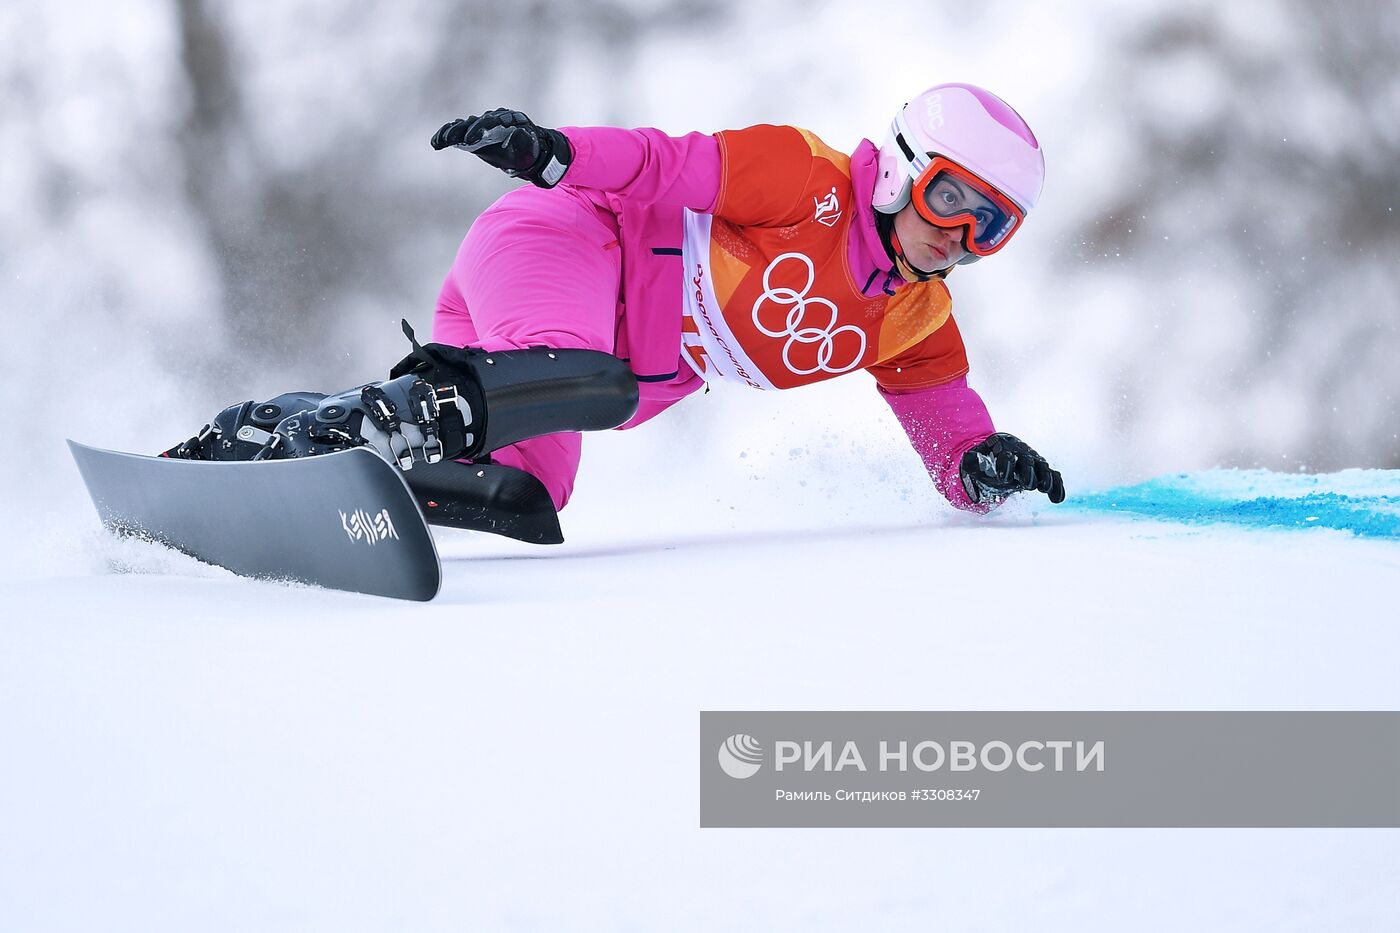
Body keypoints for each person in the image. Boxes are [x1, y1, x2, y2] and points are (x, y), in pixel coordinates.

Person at [165, 83, 1065, 543]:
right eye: (954, 199)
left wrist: (983, 465)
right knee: (591, 381)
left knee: (530, 495)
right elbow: (663, 164)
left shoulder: (913, 320)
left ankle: (295, 458)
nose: (962, 237)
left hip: (531, 369)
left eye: (995, 227)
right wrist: (552, 152)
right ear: (910, 164)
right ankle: (359, 430)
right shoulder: (807, 179)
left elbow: (952, 449)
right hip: (561, 236)